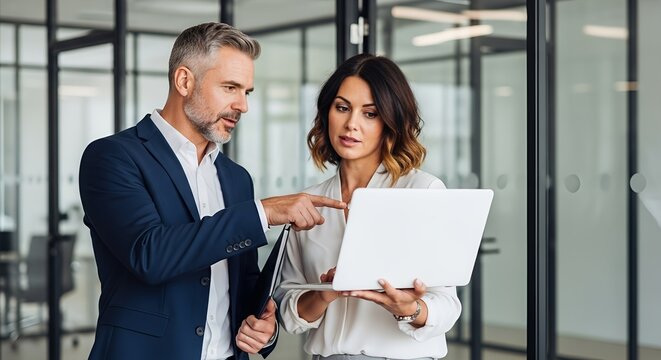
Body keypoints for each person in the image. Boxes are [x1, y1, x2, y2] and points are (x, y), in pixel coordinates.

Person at [79, 22, 345, 360]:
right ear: (184, 81)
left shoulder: (236, 178)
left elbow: (244, 286)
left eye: (246, 92)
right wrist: (263, 212)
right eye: (230, 87)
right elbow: (150, 255)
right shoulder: (113, 157)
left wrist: (265, 328)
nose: (243, 105)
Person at [275, 54, 462, 360]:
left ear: (390, 121)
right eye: (342, 108)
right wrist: (326, 293)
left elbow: (447, 306)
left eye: (370, 114)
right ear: (327, 113)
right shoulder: (308, 203)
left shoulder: (422, 191)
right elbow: (289, 311)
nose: (351, 124)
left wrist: (408, 309)